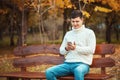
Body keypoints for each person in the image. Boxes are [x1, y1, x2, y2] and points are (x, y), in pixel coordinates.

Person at [45, 10, 96, 80]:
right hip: (67, 64)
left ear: (82, 20)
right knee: (49, 72)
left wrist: (76, 48)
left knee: (78, 71)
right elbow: (61, 51)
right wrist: (66, 48)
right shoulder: (68, 34)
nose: (75, 24)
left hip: (82, 64)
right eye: (73, 21)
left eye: (77, 21)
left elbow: (91, 50)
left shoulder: (89, 33)